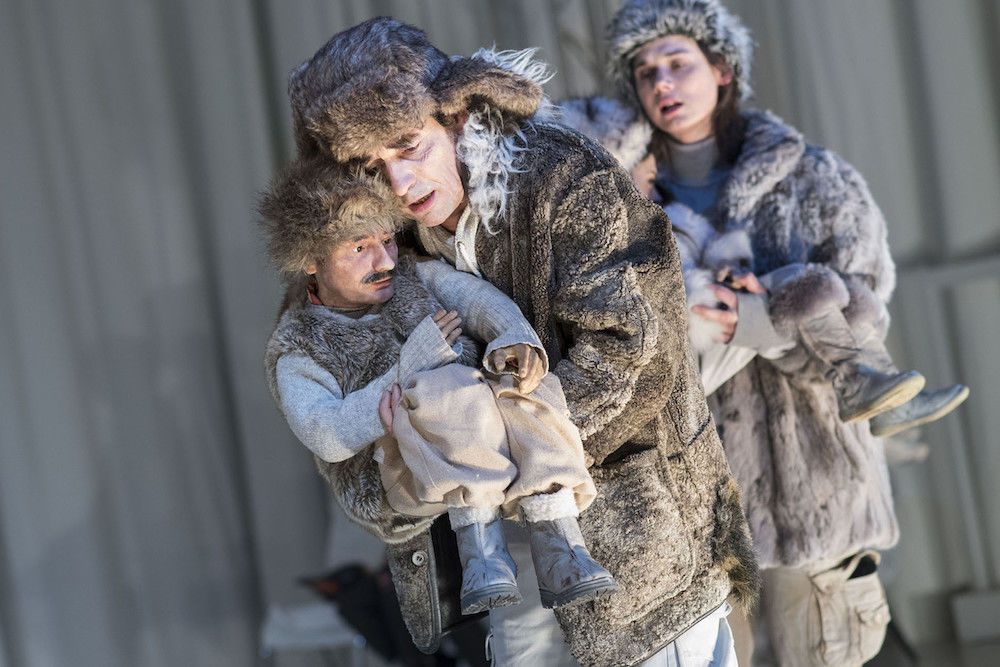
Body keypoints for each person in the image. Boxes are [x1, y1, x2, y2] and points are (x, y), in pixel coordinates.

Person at [282, 16, 757, 667]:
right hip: (498, 561)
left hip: (637, 532)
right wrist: (405, 469)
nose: (398, 184)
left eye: (407, 145)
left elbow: (630, 352)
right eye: (370, 166)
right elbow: (345, 435)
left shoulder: (564, 177)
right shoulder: (363, 253)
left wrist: (484, 448)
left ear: (453, 116)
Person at [559, 0, 969, 663]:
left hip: (819, 494)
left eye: (678, 63)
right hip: (694, 517)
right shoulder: (619, 205)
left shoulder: (815, 179)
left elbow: (861, 343)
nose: (662, 83)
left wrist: (755, 322)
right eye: (644, 71)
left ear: (722, 69)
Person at [261, 160, 618, 616]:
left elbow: (475, 299)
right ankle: (482, 554)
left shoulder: (413, 275)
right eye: (359, 248)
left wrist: (514, 337)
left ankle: (560, 542)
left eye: (387, 240)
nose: (385, 261)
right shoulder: (298, 346)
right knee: (444, 385)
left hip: (486, 436)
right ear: (310, 260)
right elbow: (326, 436)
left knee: (525, 381)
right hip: (401, 470)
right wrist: (406, 370)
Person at [560, 103, 968, 434]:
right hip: (674, 357)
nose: (651, 183)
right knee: (804, 285)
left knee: (845, 293)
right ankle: (861, 387)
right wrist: (715, 290)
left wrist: (734, 276)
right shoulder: (606, 232)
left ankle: (880, 392)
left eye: (652, 174)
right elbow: (651, 291)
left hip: (714, 318)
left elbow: (712, 255)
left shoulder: (670, 212)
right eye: (643, 173)